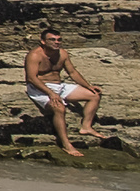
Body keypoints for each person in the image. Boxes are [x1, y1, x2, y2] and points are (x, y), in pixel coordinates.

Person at [25, 28, 108, 157]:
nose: (56, 42)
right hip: (40, 88)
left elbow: (73, 73)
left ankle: (86, 127)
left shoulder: (62, 54)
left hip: (59, 86)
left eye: (59, 40)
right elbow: (31, 78)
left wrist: (89, 86)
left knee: (94, 95)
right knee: (59, 108)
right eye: (52, 40)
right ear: (43, 41)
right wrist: (51, 93)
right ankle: (66, 144)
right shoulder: (35, 55)